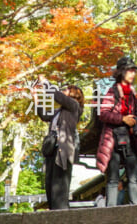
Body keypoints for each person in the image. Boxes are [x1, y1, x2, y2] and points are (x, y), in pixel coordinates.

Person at [97, 56, 137, 206]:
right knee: (113, 178)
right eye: (130, 70)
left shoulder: (133, 94)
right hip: (113, 139)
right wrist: (123, 119)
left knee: (133, 177)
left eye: (134, 71)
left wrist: (136, 123)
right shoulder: (112, 91)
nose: (132, 74)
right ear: (121, 72)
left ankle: (136, 208)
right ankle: (111, 211)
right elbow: (103, 114)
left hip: (130, 139)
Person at [36, 81, 84, 210]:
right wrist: (36, 99)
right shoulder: (59, 111)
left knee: (60, 185)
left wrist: (45, 82)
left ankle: (61, 213)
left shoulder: (74, 105)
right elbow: (44, 115)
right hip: (53, 149)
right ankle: (54, 211)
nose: (64, 91)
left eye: (67, 90)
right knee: (50, 183)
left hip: (64, 149)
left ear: (74, 94)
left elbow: (57, 95)